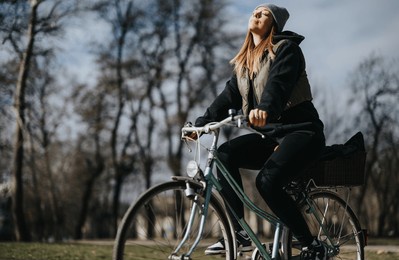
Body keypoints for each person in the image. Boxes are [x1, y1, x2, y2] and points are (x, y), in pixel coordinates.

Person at [188, 3, 328, 260]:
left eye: (264, 13)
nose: (256, 14)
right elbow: (227, 97)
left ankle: (311, 245)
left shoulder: (287, 50)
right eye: (255, 11)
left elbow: (278, 84)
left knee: (268, 181)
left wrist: (265, 109)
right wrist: (200, 124)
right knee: (225, 154)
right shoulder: (244, 64)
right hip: (272, 136)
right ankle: (238, 231)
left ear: (274, 24)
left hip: (302, 132)